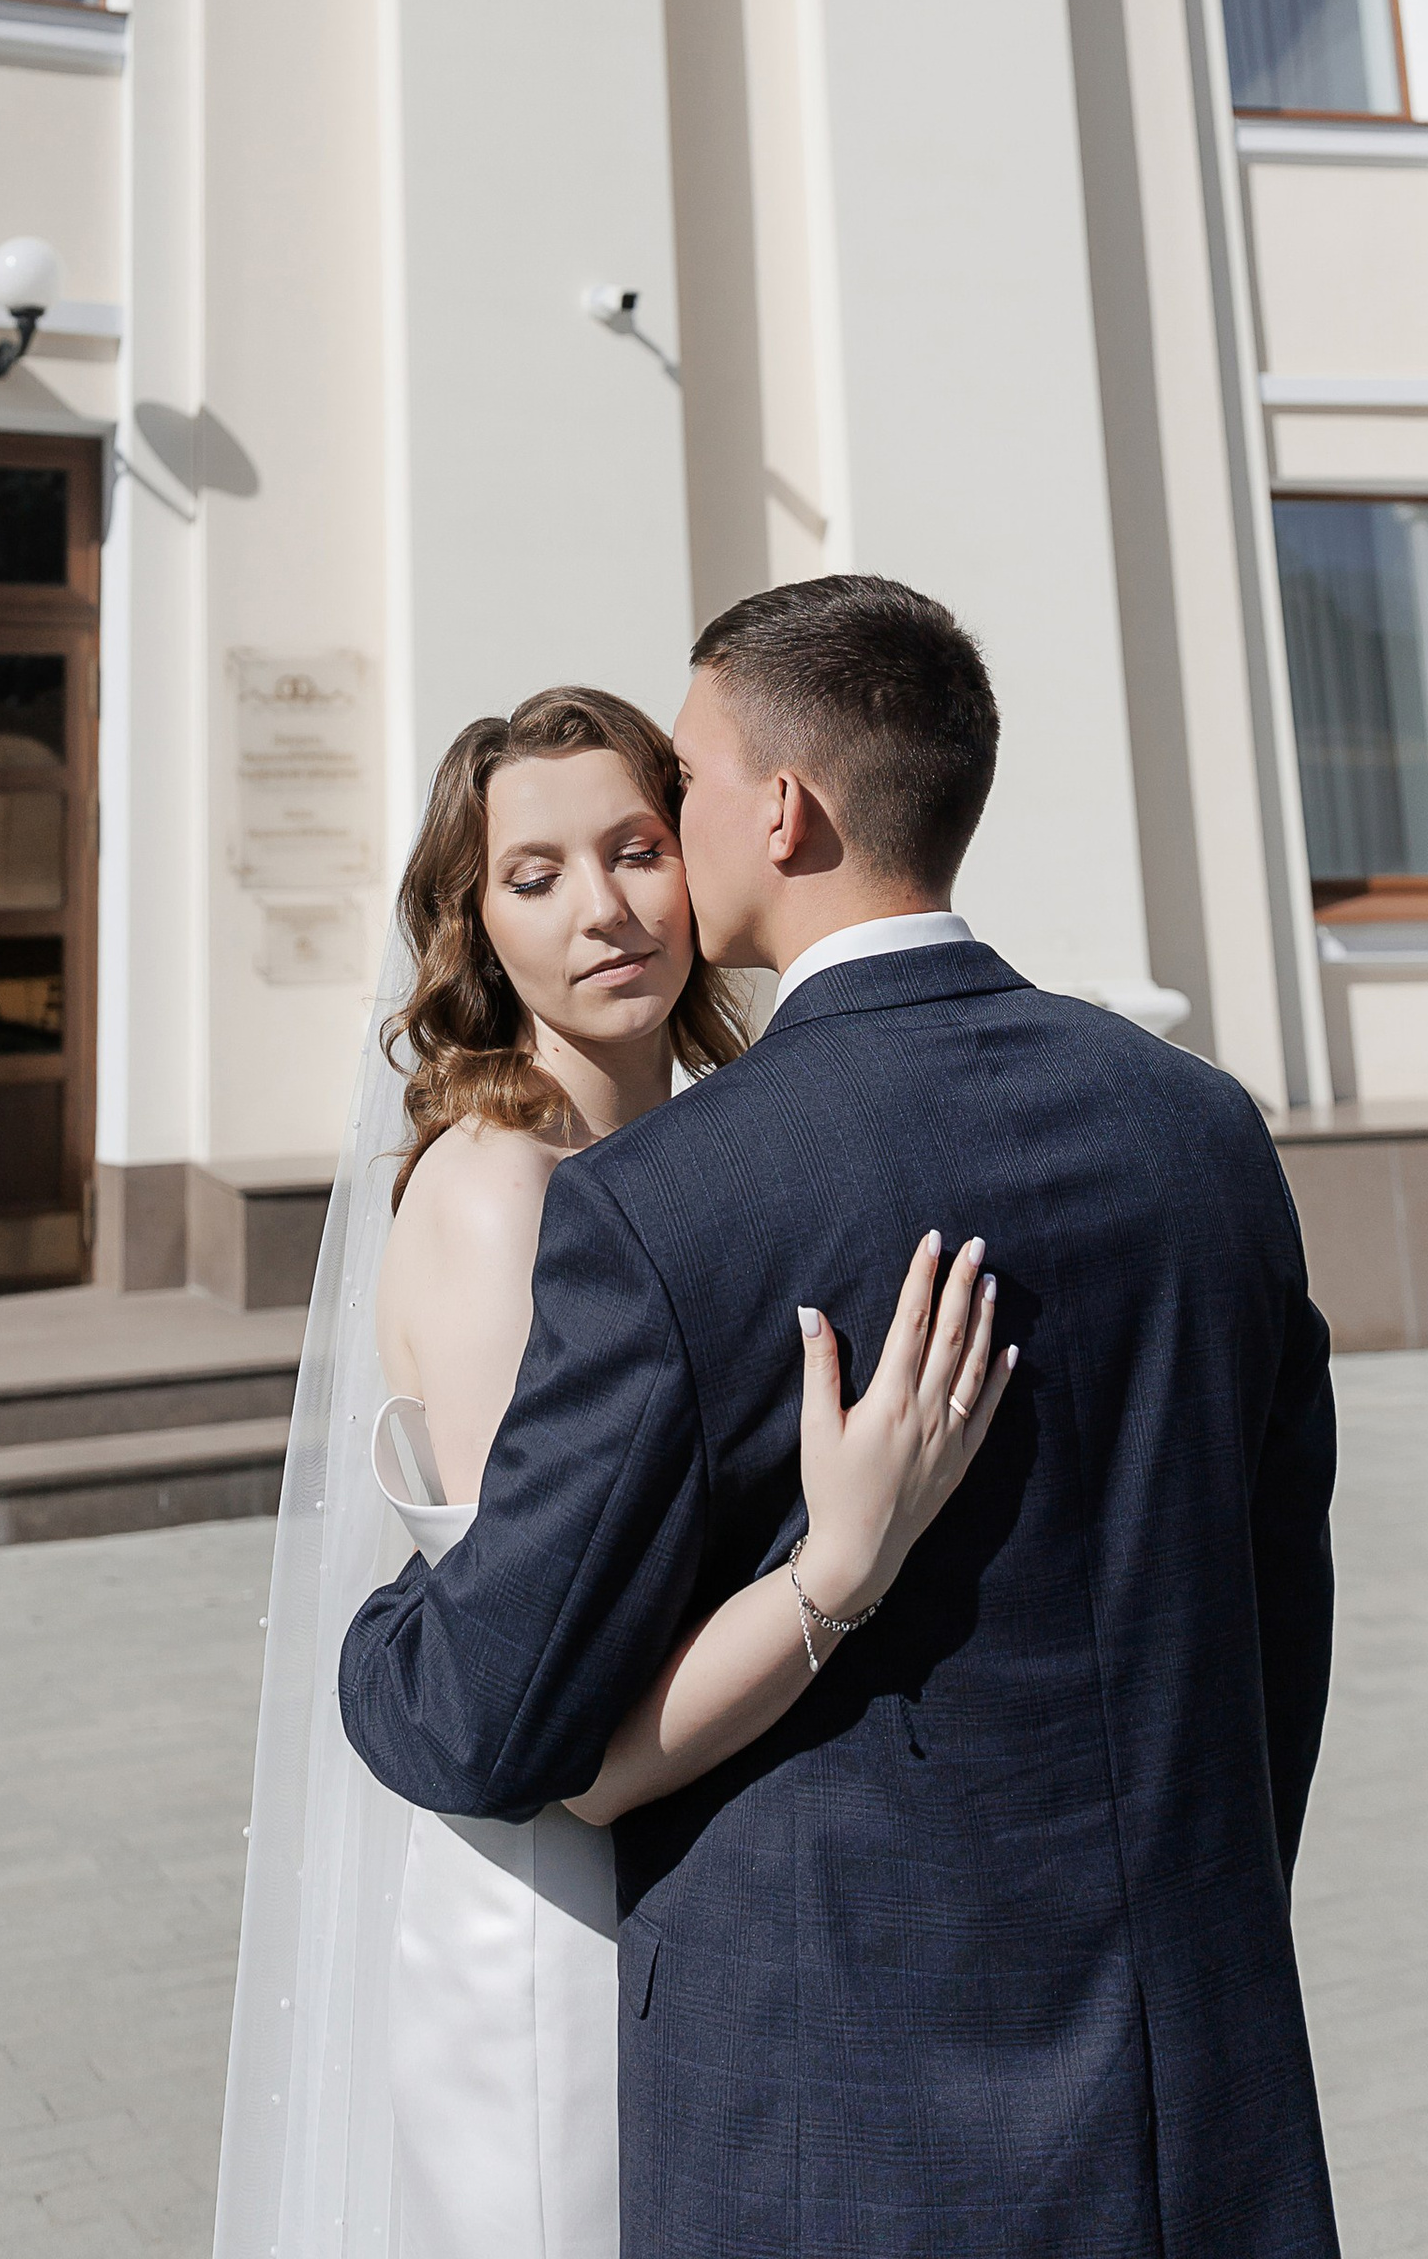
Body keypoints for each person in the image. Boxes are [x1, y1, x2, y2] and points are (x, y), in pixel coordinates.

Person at [339, 573, 1341, 2259]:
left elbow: (495, 1719)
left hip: (840, 2129)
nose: (640, 865)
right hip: (1195, 2081)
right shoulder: (1203, 1129)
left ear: (780, 811)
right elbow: (1277, 1607)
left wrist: (375, 1630)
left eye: (682, 798)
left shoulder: (681, 1204)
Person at [212, 680, 1012, 2259]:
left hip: (696, 1870)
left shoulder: (703, 1156)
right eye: (536, 875)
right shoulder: (502, 1194)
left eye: (638, 848)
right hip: (552, 1902)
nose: (605, 909)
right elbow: (559, 1702)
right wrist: (837, 1570)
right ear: (474, 929)